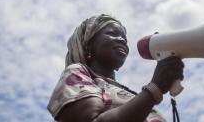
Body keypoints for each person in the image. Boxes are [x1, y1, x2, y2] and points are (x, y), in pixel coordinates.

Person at [47, 14, 184, 122]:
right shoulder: (76, 72)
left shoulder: (125, 93)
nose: (122, 39)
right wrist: (155, 89)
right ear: (88, 46)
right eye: (112, 33)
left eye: (124, 37)